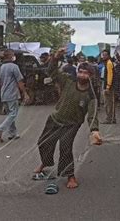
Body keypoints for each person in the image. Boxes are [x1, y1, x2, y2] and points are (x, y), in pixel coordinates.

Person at [33, 47, 102, 189]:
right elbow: (51, 71)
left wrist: (94, 131)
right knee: (43, 142)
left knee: (65, 147)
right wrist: (56, 57)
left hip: (72, 124)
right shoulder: (68, 82)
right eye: (81, 72)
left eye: (86, 73)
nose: (82, 75)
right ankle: (45, 162)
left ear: (91, 76)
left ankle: (70, 176)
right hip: (55, 118)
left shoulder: (91, 95)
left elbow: (92, 114)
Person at [0, 50, 29, 142]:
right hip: (12, 93)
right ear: (10, 56)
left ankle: (12, 132)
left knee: (10, 114)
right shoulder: (14, 67)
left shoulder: (2, 67)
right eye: (13, 55)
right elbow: (20, 81)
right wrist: (25, 93)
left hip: (3, 93)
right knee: (13, 114)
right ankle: (0, 129)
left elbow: (0, 81)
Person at [101, 50, 115, 124]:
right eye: (103, 55)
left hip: (108, 86)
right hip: (107, 85)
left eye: (105, 55)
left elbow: (110, 75)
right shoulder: (107, 63)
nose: (103, 56)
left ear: (108, 56)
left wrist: (108, 86)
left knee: (108, 103)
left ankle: (109, 119)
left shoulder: (109, 63)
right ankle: (112, 118)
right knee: (109, 103)